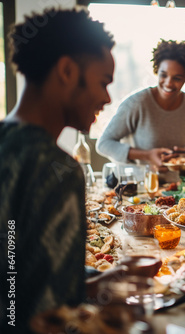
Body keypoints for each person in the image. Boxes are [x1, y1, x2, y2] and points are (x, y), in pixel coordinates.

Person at [0, 7, 123, 333]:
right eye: (102, 82)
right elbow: (54, 312)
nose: (107, 98)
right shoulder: (58, 169)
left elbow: (13, 275)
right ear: (67, 70)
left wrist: (101, 279)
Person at [97, 39, 185, 182]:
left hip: (173, 188)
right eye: (163, 75)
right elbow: (103, 144)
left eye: (177, 78)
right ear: (156, 71)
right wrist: (147, 155)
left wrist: (183, 156)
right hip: (136, 187)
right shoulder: (137, 103)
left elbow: (184, 150)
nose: (168, 83)